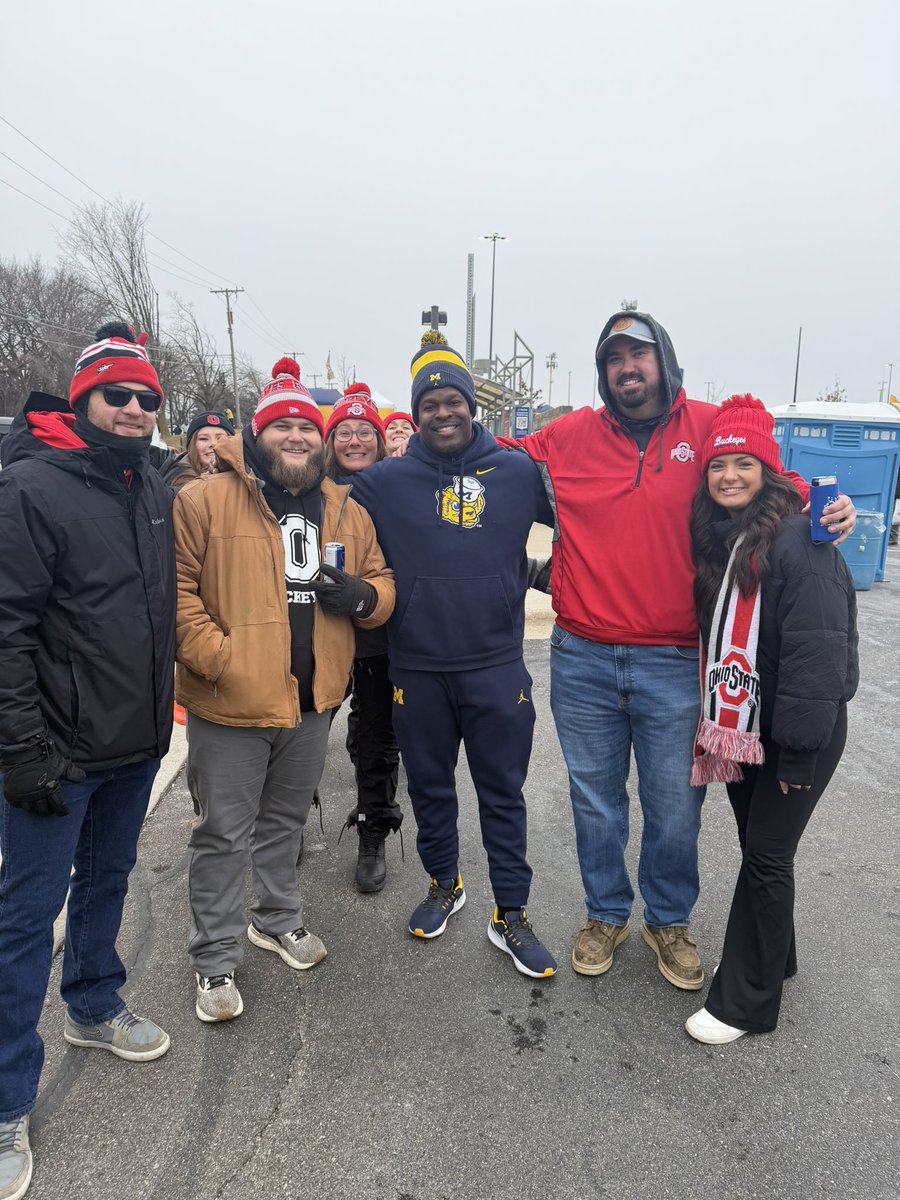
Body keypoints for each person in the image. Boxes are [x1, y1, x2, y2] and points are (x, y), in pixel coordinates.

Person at [504, 311, 856, 988]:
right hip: (582, 657)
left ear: (664, 360)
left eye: (639, 355)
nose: (627, 369)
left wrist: (821, 504)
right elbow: (490, 463)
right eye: (614, 359)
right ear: (603, 371)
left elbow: (764, 472)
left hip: (676, 659)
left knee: (674, 806)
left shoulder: (707, 424)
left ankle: (667, 920)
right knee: (596, 801)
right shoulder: (567, 435)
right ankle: (605, 913)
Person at [0, 323, 176, 1200]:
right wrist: (22, 750)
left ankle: (96, 1005)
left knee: (106, 882)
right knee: (25, 919)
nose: (136, 409)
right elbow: (7, 629)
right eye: (119, 395)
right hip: (56, 755)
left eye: (147, 397)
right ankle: (3, 1103)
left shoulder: (147, 479)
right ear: (82, 399)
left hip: (134, 742)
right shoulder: (30, 486)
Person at [173, 357, 394, 1024]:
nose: (296, 435)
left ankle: (275, 918)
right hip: (231, 704)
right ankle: (213, 958)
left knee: (283, 825)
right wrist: (223, 660)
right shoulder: (203, 499)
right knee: (221, 835)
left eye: (306, 426)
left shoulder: (344, 508)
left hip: (312, 702)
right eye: (282, 426)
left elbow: (381, 584)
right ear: (257, 433)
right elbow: (176, 597)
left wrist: (361, 598)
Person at [347, 335, 558, 979]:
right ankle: (445, 884)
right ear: (418, 411)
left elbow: (592, 520)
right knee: (433, 789)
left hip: (496, 665)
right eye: (431, 403)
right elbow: (318, 510)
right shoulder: (384, 481)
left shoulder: (518, 472)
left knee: (502, 793)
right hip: (417, 668)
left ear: (473, 407)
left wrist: (540, 574)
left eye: (454, 401)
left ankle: (511, 913)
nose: (443, 412)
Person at [683, 394, 858, 1043]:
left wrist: (799, 753)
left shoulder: (799, 538)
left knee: (767, 857)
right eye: (718, 464)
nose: (729, 475)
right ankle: (775, 958)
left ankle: (744, 1004)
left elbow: (819, 652)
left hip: (796, 732)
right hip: (747, 719)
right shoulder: (729, 538)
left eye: (743, 463)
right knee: (763, 850)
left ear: (769, 469)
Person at [323, 383, 402, 892]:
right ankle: (285, 823)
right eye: (344, 432)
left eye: (364, 432)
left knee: (376, 739)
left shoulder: (398, 486)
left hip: (377, 636)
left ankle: (374, 829)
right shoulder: (306, 487)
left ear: (379, 438)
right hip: (318, 636)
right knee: (295, 734)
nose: (354, 441)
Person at [159, 410, 236, 491]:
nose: (213, 444)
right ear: (192, 446)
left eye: (220, 438)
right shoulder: (177, 481)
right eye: (203, 439)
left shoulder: (246, 475)